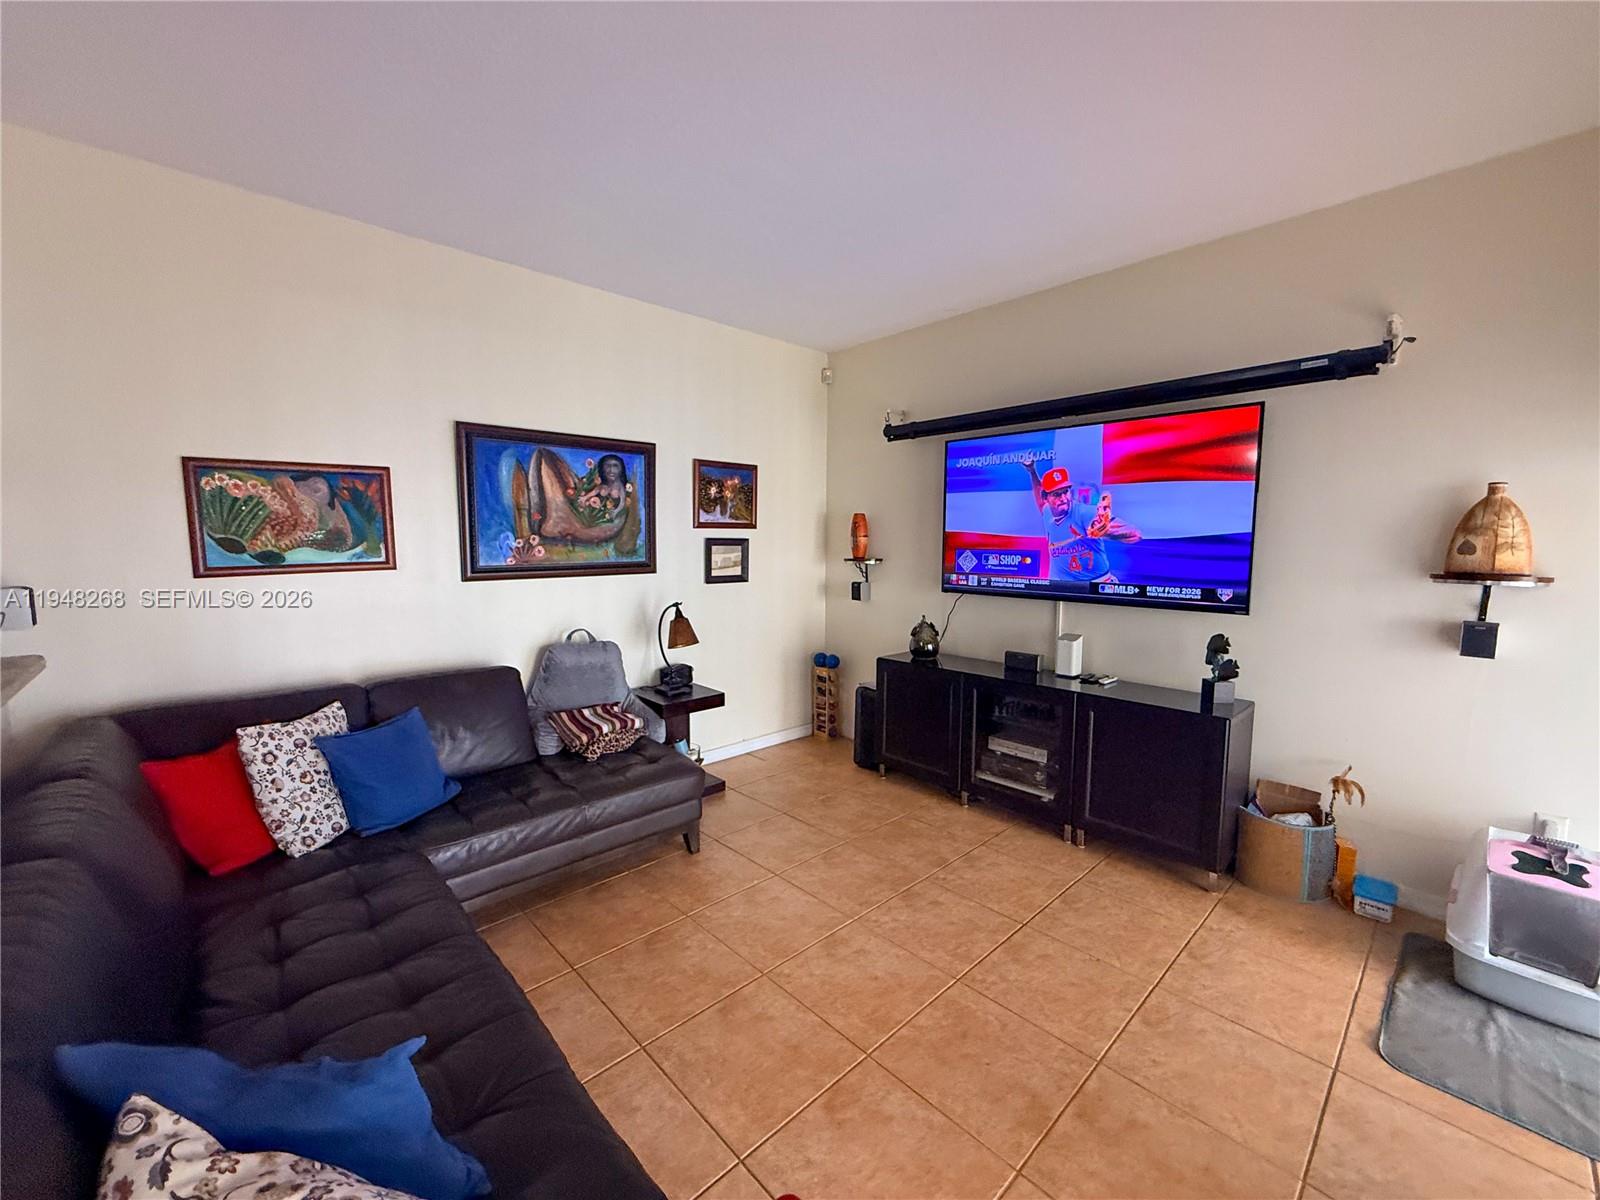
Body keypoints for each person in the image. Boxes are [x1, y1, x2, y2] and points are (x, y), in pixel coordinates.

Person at [1020, 453, 1138, 583]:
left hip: (1097, 585)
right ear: (1046, 498)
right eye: (1057, 494)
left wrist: (1108, 531)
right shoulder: (1048, 512)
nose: (1063, 498)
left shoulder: (1085, 513)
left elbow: (1134, 534)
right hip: (1063, 588)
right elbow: (1039, 495)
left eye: (1065, 492)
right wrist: (1032, 471)